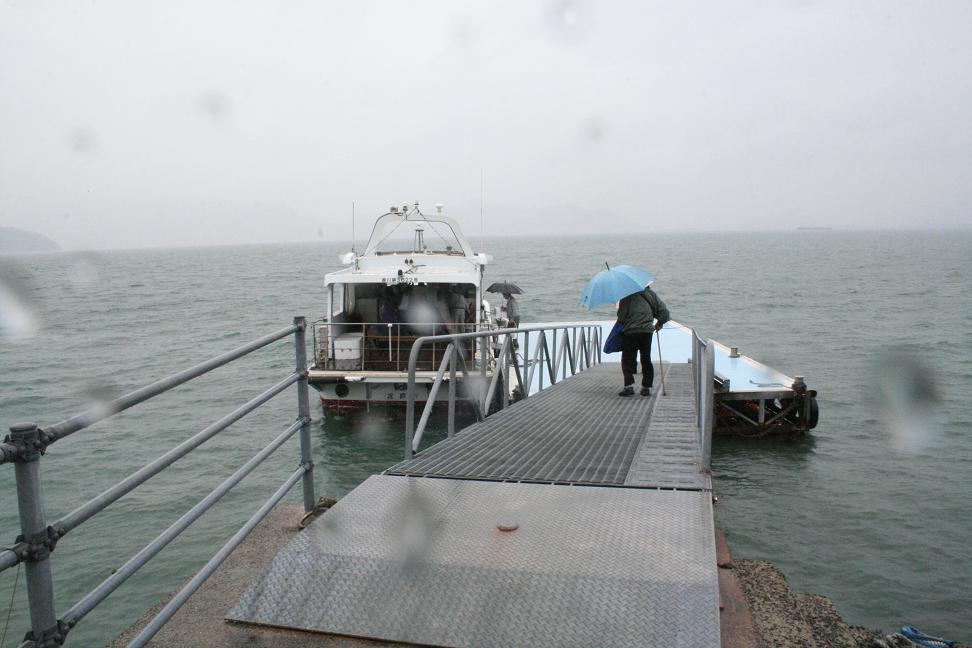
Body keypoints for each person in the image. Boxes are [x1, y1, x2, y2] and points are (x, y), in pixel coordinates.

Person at [616, 284, 669, 397]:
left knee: (628, 359)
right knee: (646, 358)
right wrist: (659, 323)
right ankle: (646, 388)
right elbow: (664, 312)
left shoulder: (626, 296)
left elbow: (621, 317)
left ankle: (628, 386)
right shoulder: (651, 294)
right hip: (647, 332)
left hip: (630, 332)